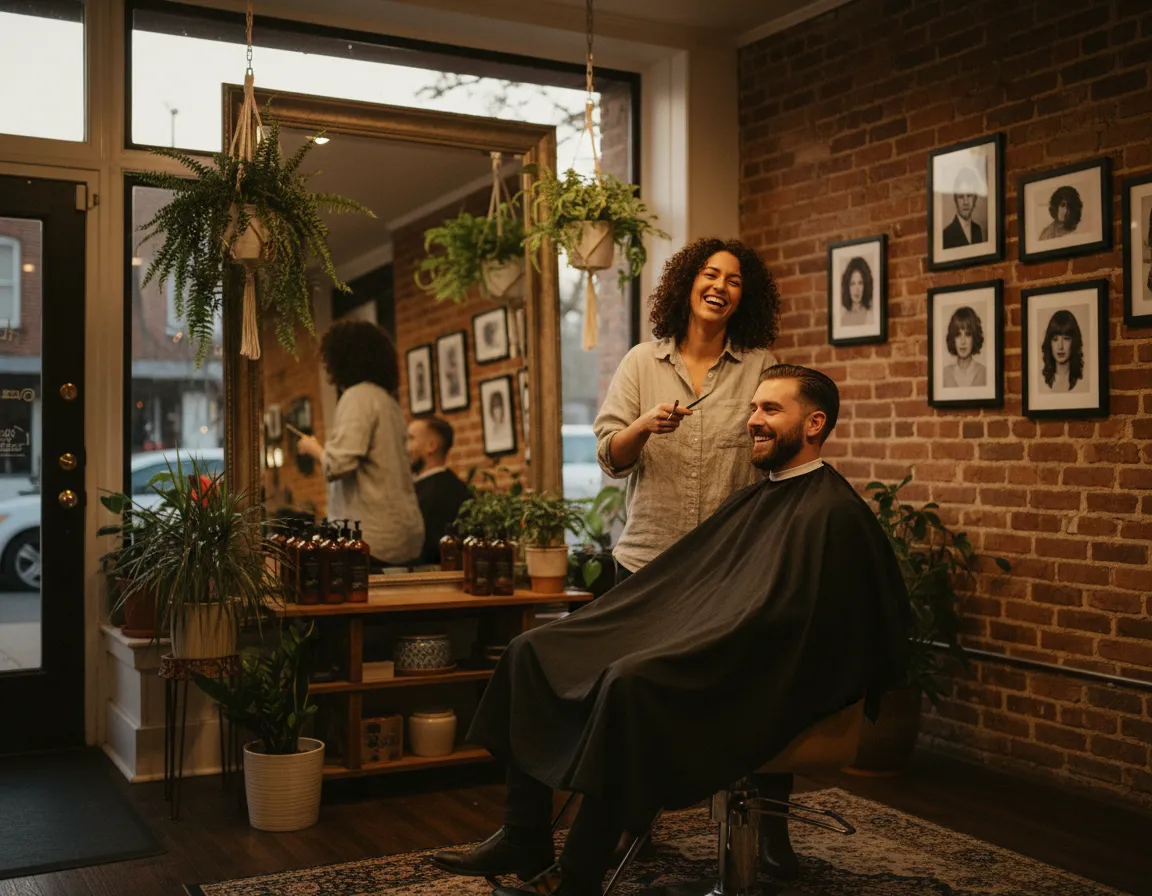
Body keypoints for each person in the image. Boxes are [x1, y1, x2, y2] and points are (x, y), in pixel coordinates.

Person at [432, 365, 911, 896]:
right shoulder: (761, 498)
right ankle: (524, 834)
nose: (754, 420)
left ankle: (577, 879)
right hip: (722, 648)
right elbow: (701, 589)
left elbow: (801, 630)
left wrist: (693, 643)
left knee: (630, 681)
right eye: (753, 408)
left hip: (760, 676)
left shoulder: (834, 513)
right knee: (533, 649)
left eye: (771, 409)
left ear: (815, 423)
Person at [592, 236, 791, 872]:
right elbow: (610, 456)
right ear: (686, 285)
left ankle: (772, 830)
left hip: (732, 566)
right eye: (710, 274)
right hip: (647, 564)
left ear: (743, 298)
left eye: (734, 280)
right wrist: (643, 426)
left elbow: (782, 446)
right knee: (635, 699)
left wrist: (770, 430)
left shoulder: (762, 367)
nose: (720, 286)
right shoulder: (640, 362)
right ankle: (633, 822)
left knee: (758, 694)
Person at [297, 320, 424, 566]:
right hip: (404, 534)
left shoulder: (358, 397)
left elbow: (339, 465)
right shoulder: (388, 401)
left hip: (371, 537)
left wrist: (314, 449)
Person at [407, 416, 472, 566]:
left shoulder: (437, 494)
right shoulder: (457, 486)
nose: (404, 447)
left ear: (431, 446)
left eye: (410, 439)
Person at [1040, 309, 1086, 392]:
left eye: (1066, 339)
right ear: (1049, 343)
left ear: (1074, 342)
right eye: (1055, 339)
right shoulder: (1041, 382)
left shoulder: (1083, 382)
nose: (1060, 347)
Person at [942, 306, 987, 388]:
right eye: (958, 335)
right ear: (953, 338)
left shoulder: (983, 372)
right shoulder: (945, 374)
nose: (962, 341)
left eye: (968, 334)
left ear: (974, 337)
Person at [942, 167, 985, 248]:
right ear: (955, 200)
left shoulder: (977, 230)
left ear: (975, 198)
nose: (966, 202)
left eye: (969, 195)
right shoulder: (946, 235)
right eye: (961, 196)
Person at [839, 256, 874, 328]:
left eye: (860, 283)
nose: (856, 289)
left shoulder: (871, 317)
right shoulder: (843, 320)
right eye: (852, 284)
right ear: (847, 287)